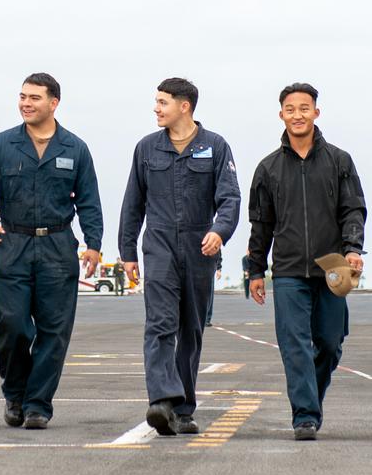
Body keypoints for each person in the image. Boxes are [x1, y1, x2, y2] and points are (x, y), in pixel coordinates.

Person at [0, 73, 103, 430]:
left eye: (34, 98)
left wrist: (94, 245)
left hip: (58, 249)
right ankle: (15, 393)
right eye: (22, 96)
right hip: (13, 245)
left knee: (54, 332)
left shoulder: (75, 149)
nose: (26, 103)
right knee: (11, 325)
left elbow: (89, 201)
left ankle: (37, 405)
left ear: (53, 103)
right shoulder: (2, 145)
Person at [119, 78, 240, 436]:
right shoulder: (146, 149)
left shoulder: (215, 147)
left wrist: (219, 231)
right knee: (160, 323)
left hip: (200, 246)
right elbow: (132, 203)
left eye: (162, 103)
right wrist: (128, 252)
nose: (156, 108)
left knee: (191, 327)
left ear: (184, 106)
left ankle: (183, 408)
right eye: (156, 102)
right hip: (158, 244)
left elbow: (230, 198)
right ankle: (160, 400)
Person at [247, 83, 366, 441]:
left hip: (332, 266)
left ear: (316, 112)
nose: (297, 115)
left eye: (304, 108)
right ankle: (305, 415)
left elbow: (353, 209)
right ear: (281, 114)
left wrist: (353, 248)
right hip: (286, 271)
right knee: (294, 342)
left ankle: (309, 398)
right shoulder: (267, 168)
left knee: (330, 343)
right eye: (290, 109)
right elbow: (261, 223)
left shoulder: (339, 161)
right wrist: (254, 269)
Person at [206, 252, 223, 327]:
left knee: (209, 294)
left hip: (209, 266)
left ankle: (207, 319)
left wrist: (219, 268)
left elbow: (217, 251)